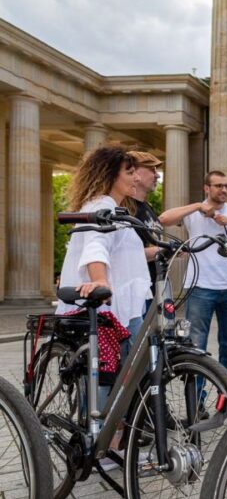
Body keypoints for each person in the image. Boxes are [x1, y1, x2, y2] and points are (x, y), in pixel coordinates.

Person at [56, 145, 153, 457]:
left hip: (126, 307)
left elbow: (122, 251)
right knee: (112, 376)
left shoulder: (118, 207)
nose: (135, 176)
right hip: (111, 308)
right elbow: (96, 245)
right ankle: (99, 444)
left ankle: (113, 439)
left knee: (127, 374)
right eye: (129, 171)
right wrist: (100, 280)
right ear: (112, 174)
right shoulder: (102, 205)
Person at [160, 171, 227, 381]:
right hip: (200, 287)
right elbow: (164, 219)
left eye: (226, 186)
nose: (224, 190)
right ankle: (197, 400)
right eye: (218, 185)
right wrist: (197, 206)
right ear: (207, 188)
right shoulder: (195, 212)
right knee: (195, 344)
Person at [128, 151, 163, 301]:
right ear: (133, 171)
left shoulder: (146, 207)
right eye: (152, 170)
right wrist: (164, 250)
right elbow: (125, 255)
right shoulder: (123, 209)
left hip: (151, 288)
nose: (157, 175)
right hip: (134, 293)